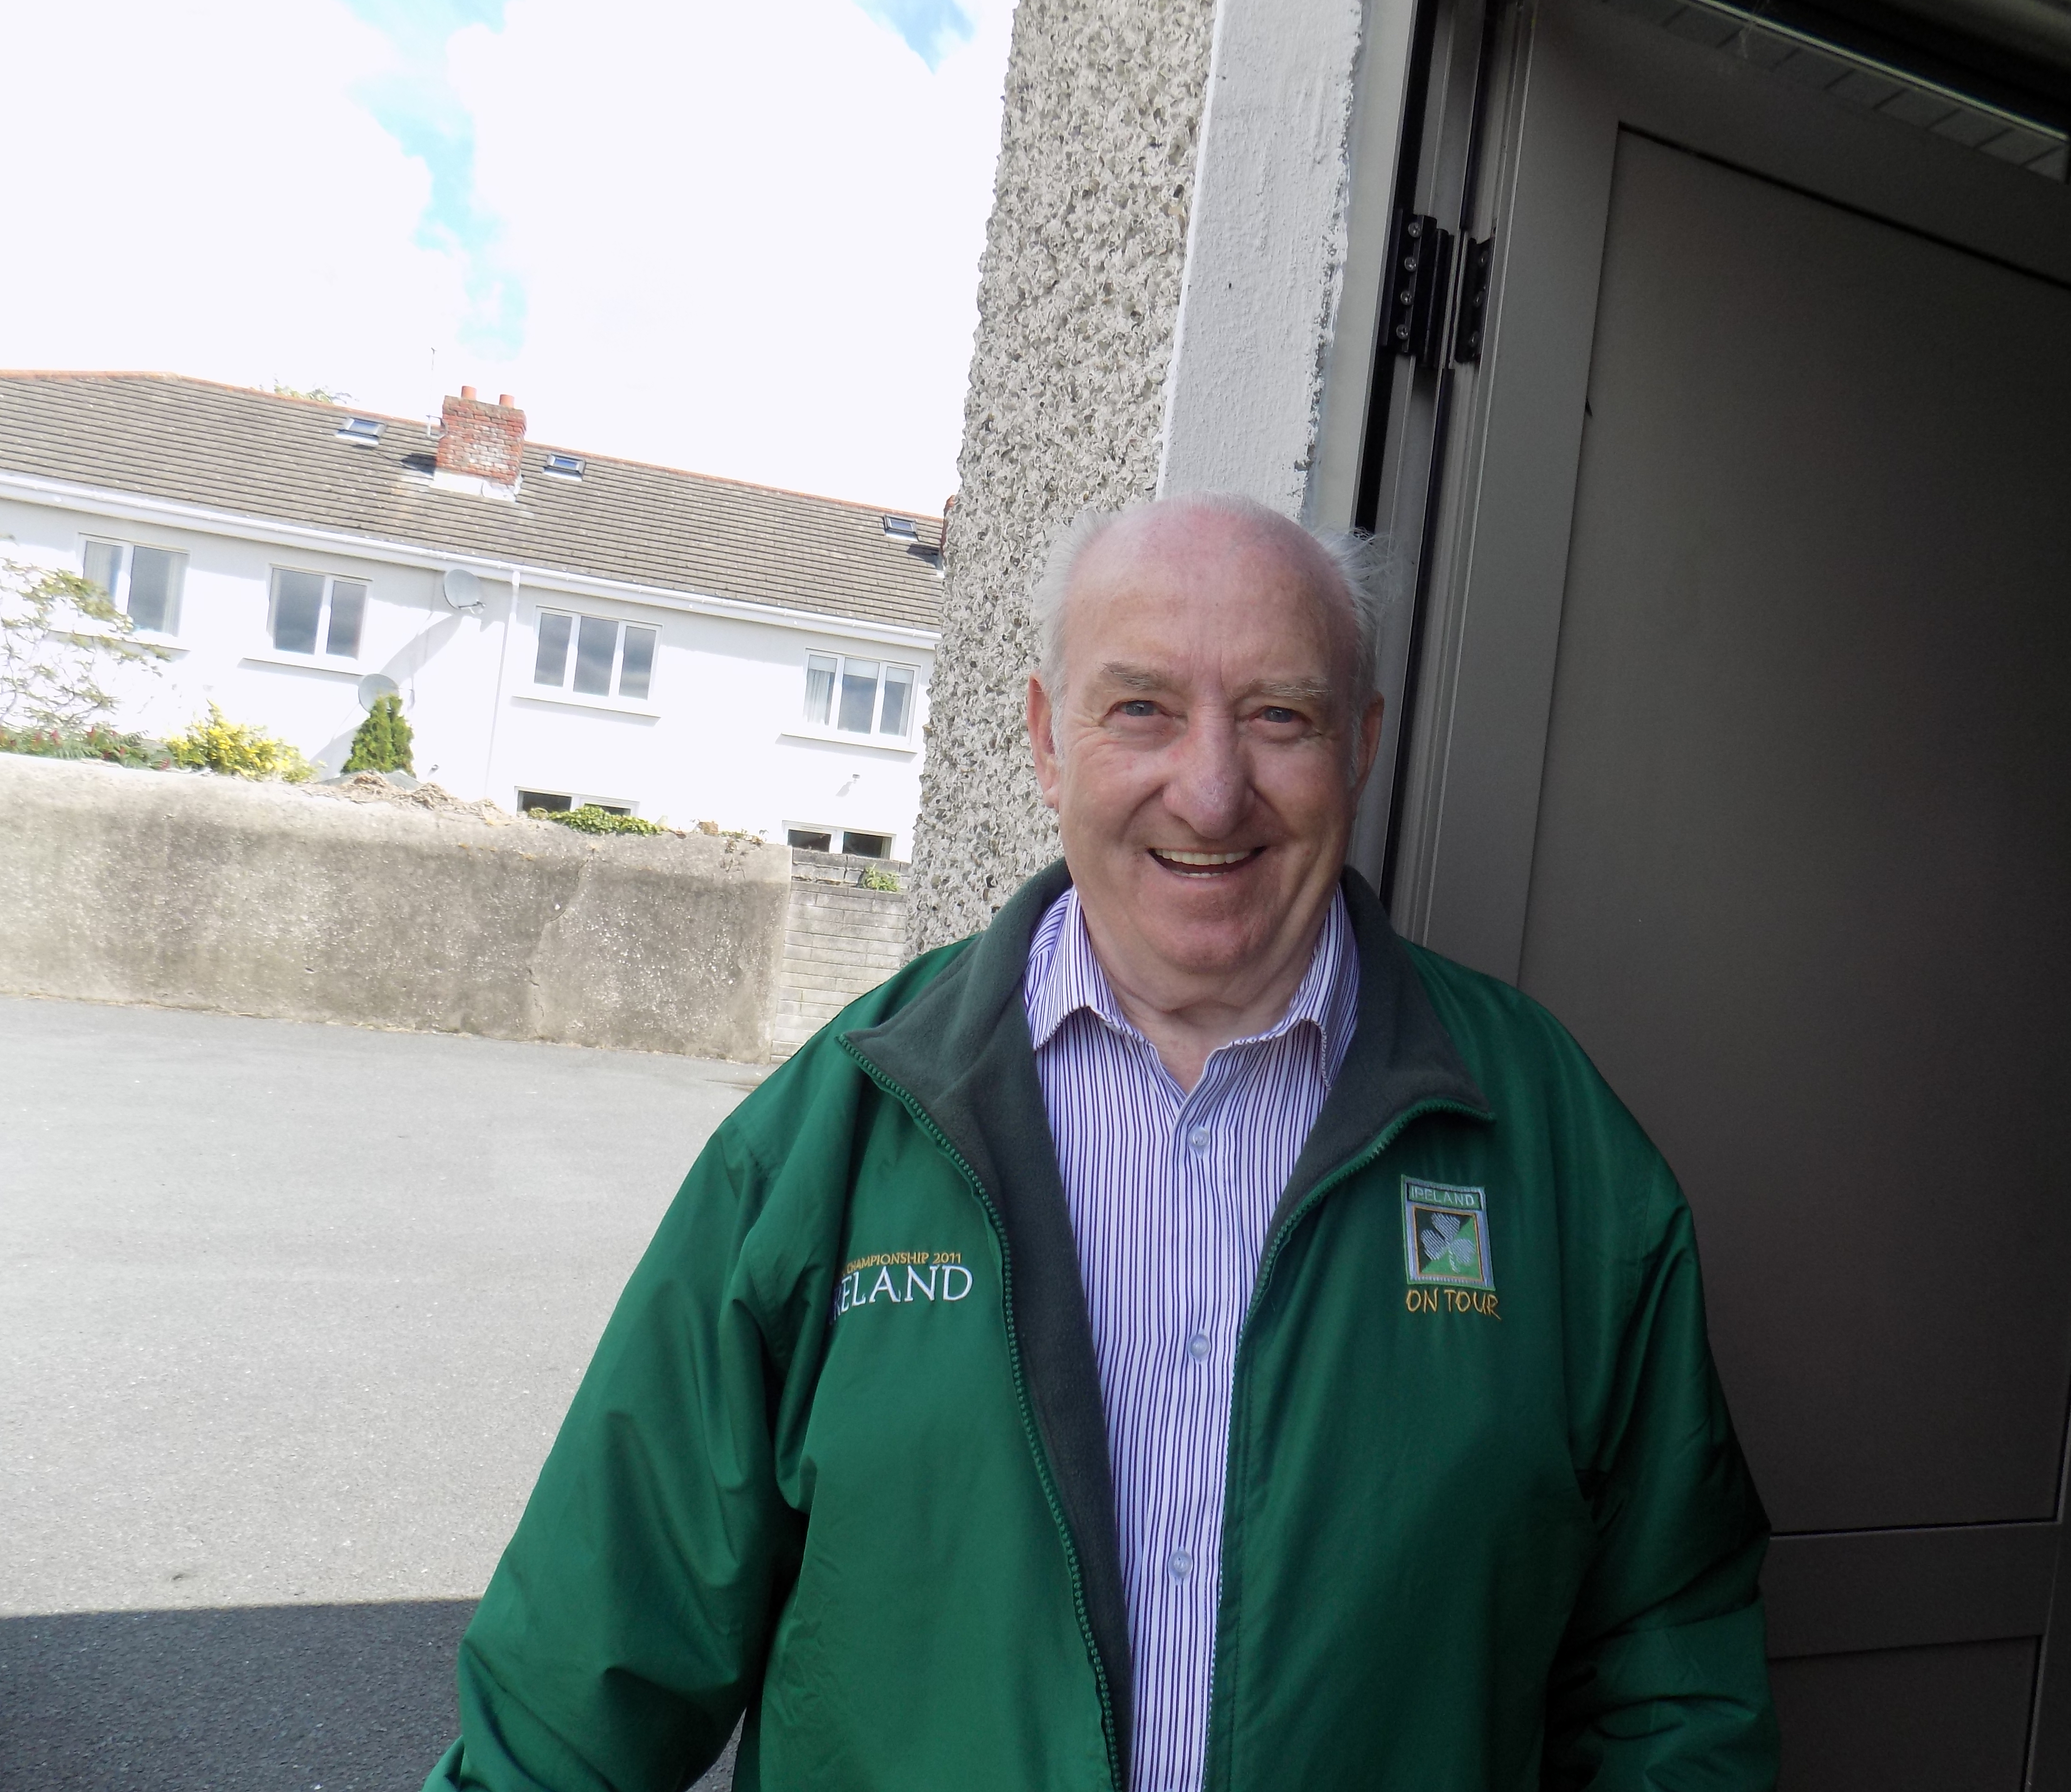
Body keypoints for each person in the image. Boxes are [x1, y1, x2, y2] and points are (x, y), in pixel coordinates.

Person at [426, 493, 1775, 1792]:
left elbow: (1671, 1662)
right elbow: (582, 1680)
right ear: (1046, 739)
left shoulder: (1551, 1143)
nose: (1212, 792)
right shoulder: (841, 1131)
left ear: (1361, 745)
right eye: (1142, 709)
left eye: (1280, 716)